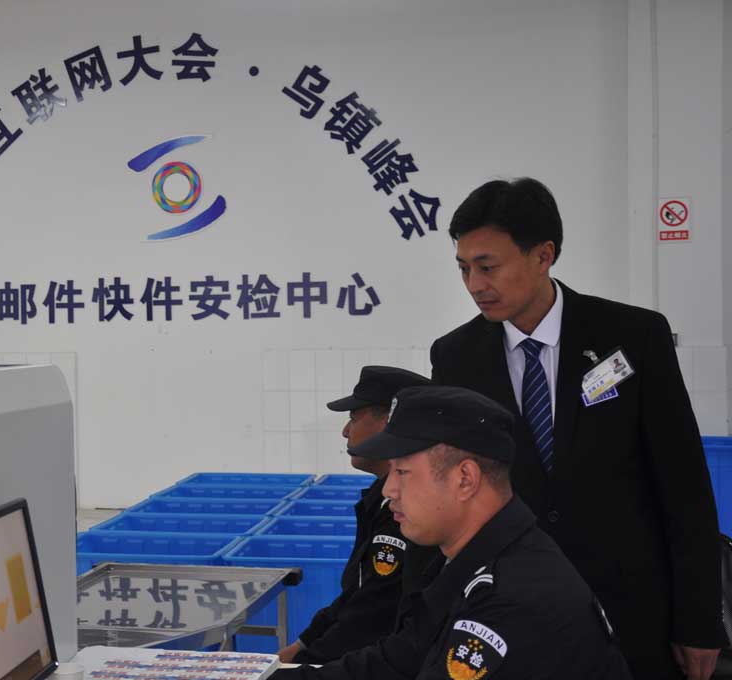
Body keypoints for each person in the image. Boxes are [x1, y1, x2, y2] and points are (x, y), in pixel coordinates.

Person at [428, 177, 725, 679]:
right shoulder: (456, 357)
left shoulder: (632, 337)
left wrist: (699, 620)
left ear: (543, 256)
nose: (474, 284)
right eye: (463, 268)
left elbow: (684, 485)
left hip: (632, 612)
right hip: (509, 613)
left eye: (487, 266)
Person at [270, 385, 631, 680]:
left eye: (402, 472)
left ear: (464, 479)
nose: (389, 490)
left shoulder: (511, 598)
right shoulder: (465, 559)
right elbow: (401, 658)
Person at [278, 366, 431, 664]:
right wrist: (304, 643)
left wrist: (308, 663)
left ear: (389, 422)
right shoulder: (379, 499)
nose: (346, 431)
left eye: (353, 418)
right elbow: (357, 594)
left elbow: (373, 614)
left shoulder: (406, 512)